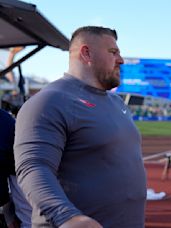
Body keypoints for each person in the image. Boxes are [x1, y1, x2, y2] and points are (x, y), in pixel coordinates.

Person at [14, 26, 147, 228]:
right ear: (86, 53)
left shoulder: (117, 102)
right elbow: (33, 167)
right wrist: (67, 217)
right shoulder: (50, 101)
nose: (121, 60)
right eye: (113, 52)